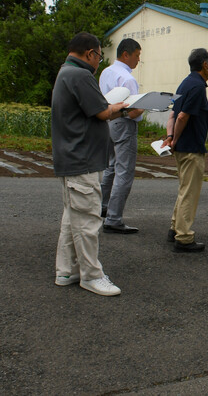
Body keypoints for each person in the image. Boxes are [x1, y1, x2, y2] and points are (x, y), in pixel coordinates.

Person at [51, 32, 129, 296]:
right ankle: (92, 275)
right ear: (90, 54)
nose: (99, 61)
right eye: (99, 55)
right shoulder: (81, 75)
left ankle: (67, 270)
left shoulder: (66, 72)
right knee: (87, 220)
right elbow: (102, 112)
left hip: (71, 158)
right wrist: (124, 106)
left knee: (72, 218)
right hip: (81, 159)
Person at [164, 48, 208, 252]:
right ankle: (184, 236)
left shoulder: (185, 83)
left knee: (184, 189)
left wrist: (170, 138)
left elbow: (172, 114)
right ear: (204, 65)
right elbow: (182, 116)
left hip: (182, 148)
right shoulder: (197, 87)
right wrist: (175, 139)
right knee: (190, 192)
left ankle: (174, 228)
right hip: (191, 147)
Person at [99, 38, 145, 234]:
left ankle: (101, 206)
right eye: (137, 55)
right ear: (126, 54)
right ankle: (114, 218)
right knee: (124, 171)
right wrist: (146, 106)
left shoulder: (106, 72)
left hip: (106, 122)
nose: (138, 60)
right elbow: (134, 110)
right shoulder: (127, 79)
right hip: (124, 124)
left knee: (110, 167)